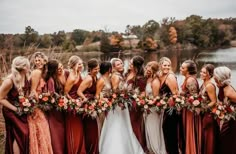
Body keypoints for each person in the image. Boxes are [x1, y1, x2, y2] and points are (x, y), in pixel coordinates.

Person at [99, 58, 144, 154]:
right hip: (118, 105)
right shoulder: (115, 76)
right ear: (113, 68)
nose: (121, 65)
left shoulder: (121, 75)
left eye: (121, 63)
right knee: (117, 126)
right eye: (118, 64)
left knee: (125, 125)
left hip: (122, 104)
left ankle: (127, 147)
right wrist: (123, 96)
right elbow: (115, 91)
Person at [0, 56, 30, 154]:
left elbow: (25, 93)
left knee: (24, 134)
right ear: (22, 67)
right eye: (27, 65)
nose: (29, 67)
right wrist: (15, 109)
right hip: (10, 110)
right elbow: (1, 98)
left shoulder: (25, 76)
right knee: (22, 133)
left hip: (21, 108)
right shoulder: (9, 81)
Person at [28, 52, 53, 154]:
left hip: (39, 103)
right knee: (40, 128)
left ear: (44, 60)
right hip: (36, 106)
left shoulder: (43, 73)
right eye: (36, 60)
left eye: (39, 60)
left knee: (42, 129)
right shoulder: (37, 72)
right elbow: (33, 91)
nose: (37, 62)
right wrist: (41, 103)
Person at [64, 55, 86, 154]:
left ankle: (80, 150)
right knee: (74, 130)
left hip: (79, 105)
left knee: (80, 130)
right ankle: (74, 151)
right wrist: (74, 102)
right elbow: (66, 93)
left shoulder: (78, 74)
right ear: (73, 65)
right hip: (72, 107)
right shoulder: (72, 77)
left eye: (82, 63)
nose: (81, 65)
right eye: (79, 64)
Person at [77, 58, 100, 154]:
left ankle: (95, 150)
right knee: (90, 131)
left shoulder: (95, 77)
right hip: (88, 108)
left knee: (95, 130)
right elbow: (79, 91)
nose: (97, 70)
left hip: (94, 105)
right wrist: (85, 100)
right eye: (95, 69)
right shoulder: (89, 78)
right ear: (90, 69)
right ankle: (90, 150)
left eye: (98, 68)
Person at [44, 59, 67, 154]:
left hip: (59, 109)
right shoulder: (50, 80)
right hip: (54, 110)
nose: (59, 68)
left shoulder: (55, 77)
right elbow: (51, 94)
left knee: (60, 130)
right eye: (58, 67)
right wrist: (61, 99)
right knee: (56, 131)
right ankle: (57, 151)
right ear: (54, 69)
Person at [144, 61, 166, 154]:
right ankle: (151, 148)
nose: (147, 70)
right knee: (148, 127)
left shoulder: (155, 81)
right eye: (147, 67)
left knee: (153, 128)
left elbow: (156, 98)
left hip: (152, 108)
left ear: (153, 70)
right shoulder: (148, 79)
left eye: (149, 68)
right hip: (147, 107)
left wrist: (148, 103)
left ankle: (156, 149)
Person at [125, 56, 147, 150]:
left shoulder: (140, 78)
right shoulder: (128, 73)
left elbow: (142, 93)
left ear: (135, 65)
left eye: (131, 63)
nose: (129, 64)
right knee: (128, 124)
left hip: (135, 105)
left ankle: (138, 146)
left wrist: (135, 98)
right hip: (127, 103)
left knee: (134, 125)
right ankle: (129, 145)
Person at [158, 57, 179, 154]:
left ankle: (173, 151)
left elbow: (175, 94)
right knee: (166, 131)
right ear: (160, 66)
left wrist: (169, 101)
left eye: (168, 65)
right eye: (164, 65)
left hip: (171, 109)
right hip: (166, 108)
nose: (166, 67)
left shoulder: (170, 77)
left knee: (170, 132)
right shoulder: (162, 75)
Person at [180, 60, 201, 154]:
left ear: (188, 70)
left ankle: (191, 151)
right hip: (186, 109)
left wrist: (181, 98)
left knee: (190, 130)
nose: (180, 69)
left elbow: (194, 98)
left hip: (190, 111)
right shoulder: (187, 78)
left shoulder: (190, 80)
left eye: (183, 68)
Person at [214, 66, 236, 154]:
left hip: (233, 122)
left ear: (220, 78)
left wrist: (227, 110)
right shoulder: (221, 88)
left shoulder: (228, 91)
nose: (214, 78)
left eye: (215, 76)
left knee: (228, 142)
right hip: (227, 119)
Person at [199, 64, 219, 154]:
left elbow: (214, 101)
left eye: (204, 72)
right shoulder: (204, 83)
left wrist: (202, 108)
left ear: (210, 74)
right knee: (205, 136)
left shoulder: (209, 85)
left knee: (209, 136)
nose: (201, 74)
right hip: (204, 113)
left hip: (209, 114)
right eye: (201, 72)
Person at [95, 61, 112, 135]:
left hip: (109, 104)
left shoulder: (109, 77)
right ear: (109, 69)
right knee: (103, 125)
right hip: (102, 106)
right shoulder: (101, 80)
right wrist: (102, 101)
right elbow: (97, 95)